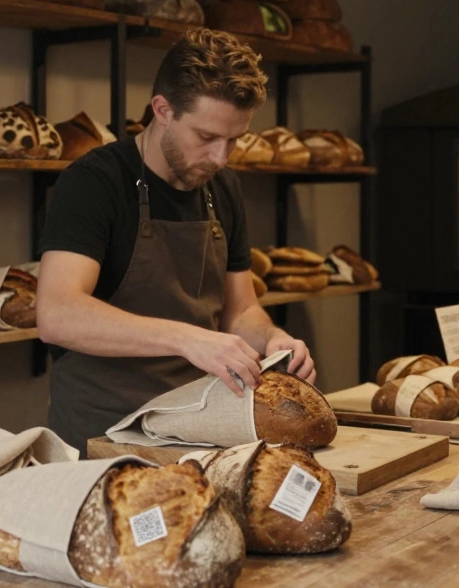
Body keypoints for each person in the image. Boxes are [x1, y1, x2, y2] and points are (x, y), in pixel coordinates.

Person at [36, 27, 315, 452]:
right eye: (206, 137)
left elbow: (241, 310)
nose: (220, 157)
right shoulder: (94, 182)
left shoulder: (224, 187)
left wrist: (272, 338)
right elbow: (58, 314)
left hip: (196, 423)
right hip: (103, 433)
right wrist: (187, 338)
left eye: (234, 140)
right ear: (162, 109)